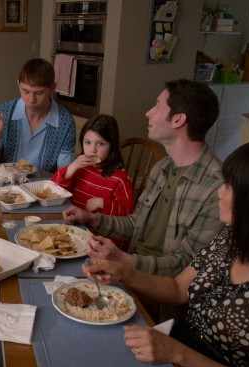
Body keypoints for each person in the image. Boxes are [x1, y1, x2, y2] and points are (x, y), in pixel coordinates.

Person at [83, 140, 249, 367]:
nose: (219, 192)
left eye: (229, 187)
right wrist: (124, 273)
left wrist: (176, 352)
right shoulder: (232, 239)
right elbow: (179, 288)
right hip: (177, 348)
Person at [63, 79, 223, 279]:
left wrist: (123, 260)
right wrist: (90, 218)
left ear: (178, 120)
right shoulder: (163, 167)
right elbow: (136, 223)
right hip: (131, 266)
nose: (148, 113)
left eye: (157, 106)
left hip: (158, 285)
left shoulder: (216, 188)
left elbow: (186, 266)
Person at [0, 58, 76, 174]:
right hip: (5, 183)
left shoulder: (65, 123)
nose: (31, 100)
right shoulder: (3, 113)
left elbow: (64, 173)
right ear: (18, 84)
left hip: (43, 184)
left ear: (52, 88)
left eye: (39, 93)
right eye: (25, 91)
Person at [52, 114, 134, 216]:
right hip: (73, 221)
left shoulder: (120, 179)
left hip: (98, 225)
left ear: (112, 146)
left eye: (101, 144)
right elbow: (54, 192)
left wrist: (102, 203)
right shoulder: (79, 168)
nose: (93, 150)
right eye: (88, 142)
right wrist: (72, 167)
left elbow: (128, 213)